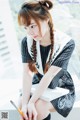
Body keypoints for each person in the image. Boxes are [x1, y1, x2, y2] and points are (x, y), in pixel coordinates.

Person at [18, 0, 75, 120]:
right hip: (38, 82)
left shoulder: (66, 43)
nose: (29, 32)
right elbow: (27, 73)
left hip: (60, 87)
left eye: (32, 26)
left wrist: (32, 102)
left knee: (38, 107)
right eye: (26, 28)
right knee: (21, 106)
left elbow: (50, 75)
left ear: (46, 19)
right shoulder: (26, 41)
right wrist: (25, 104)